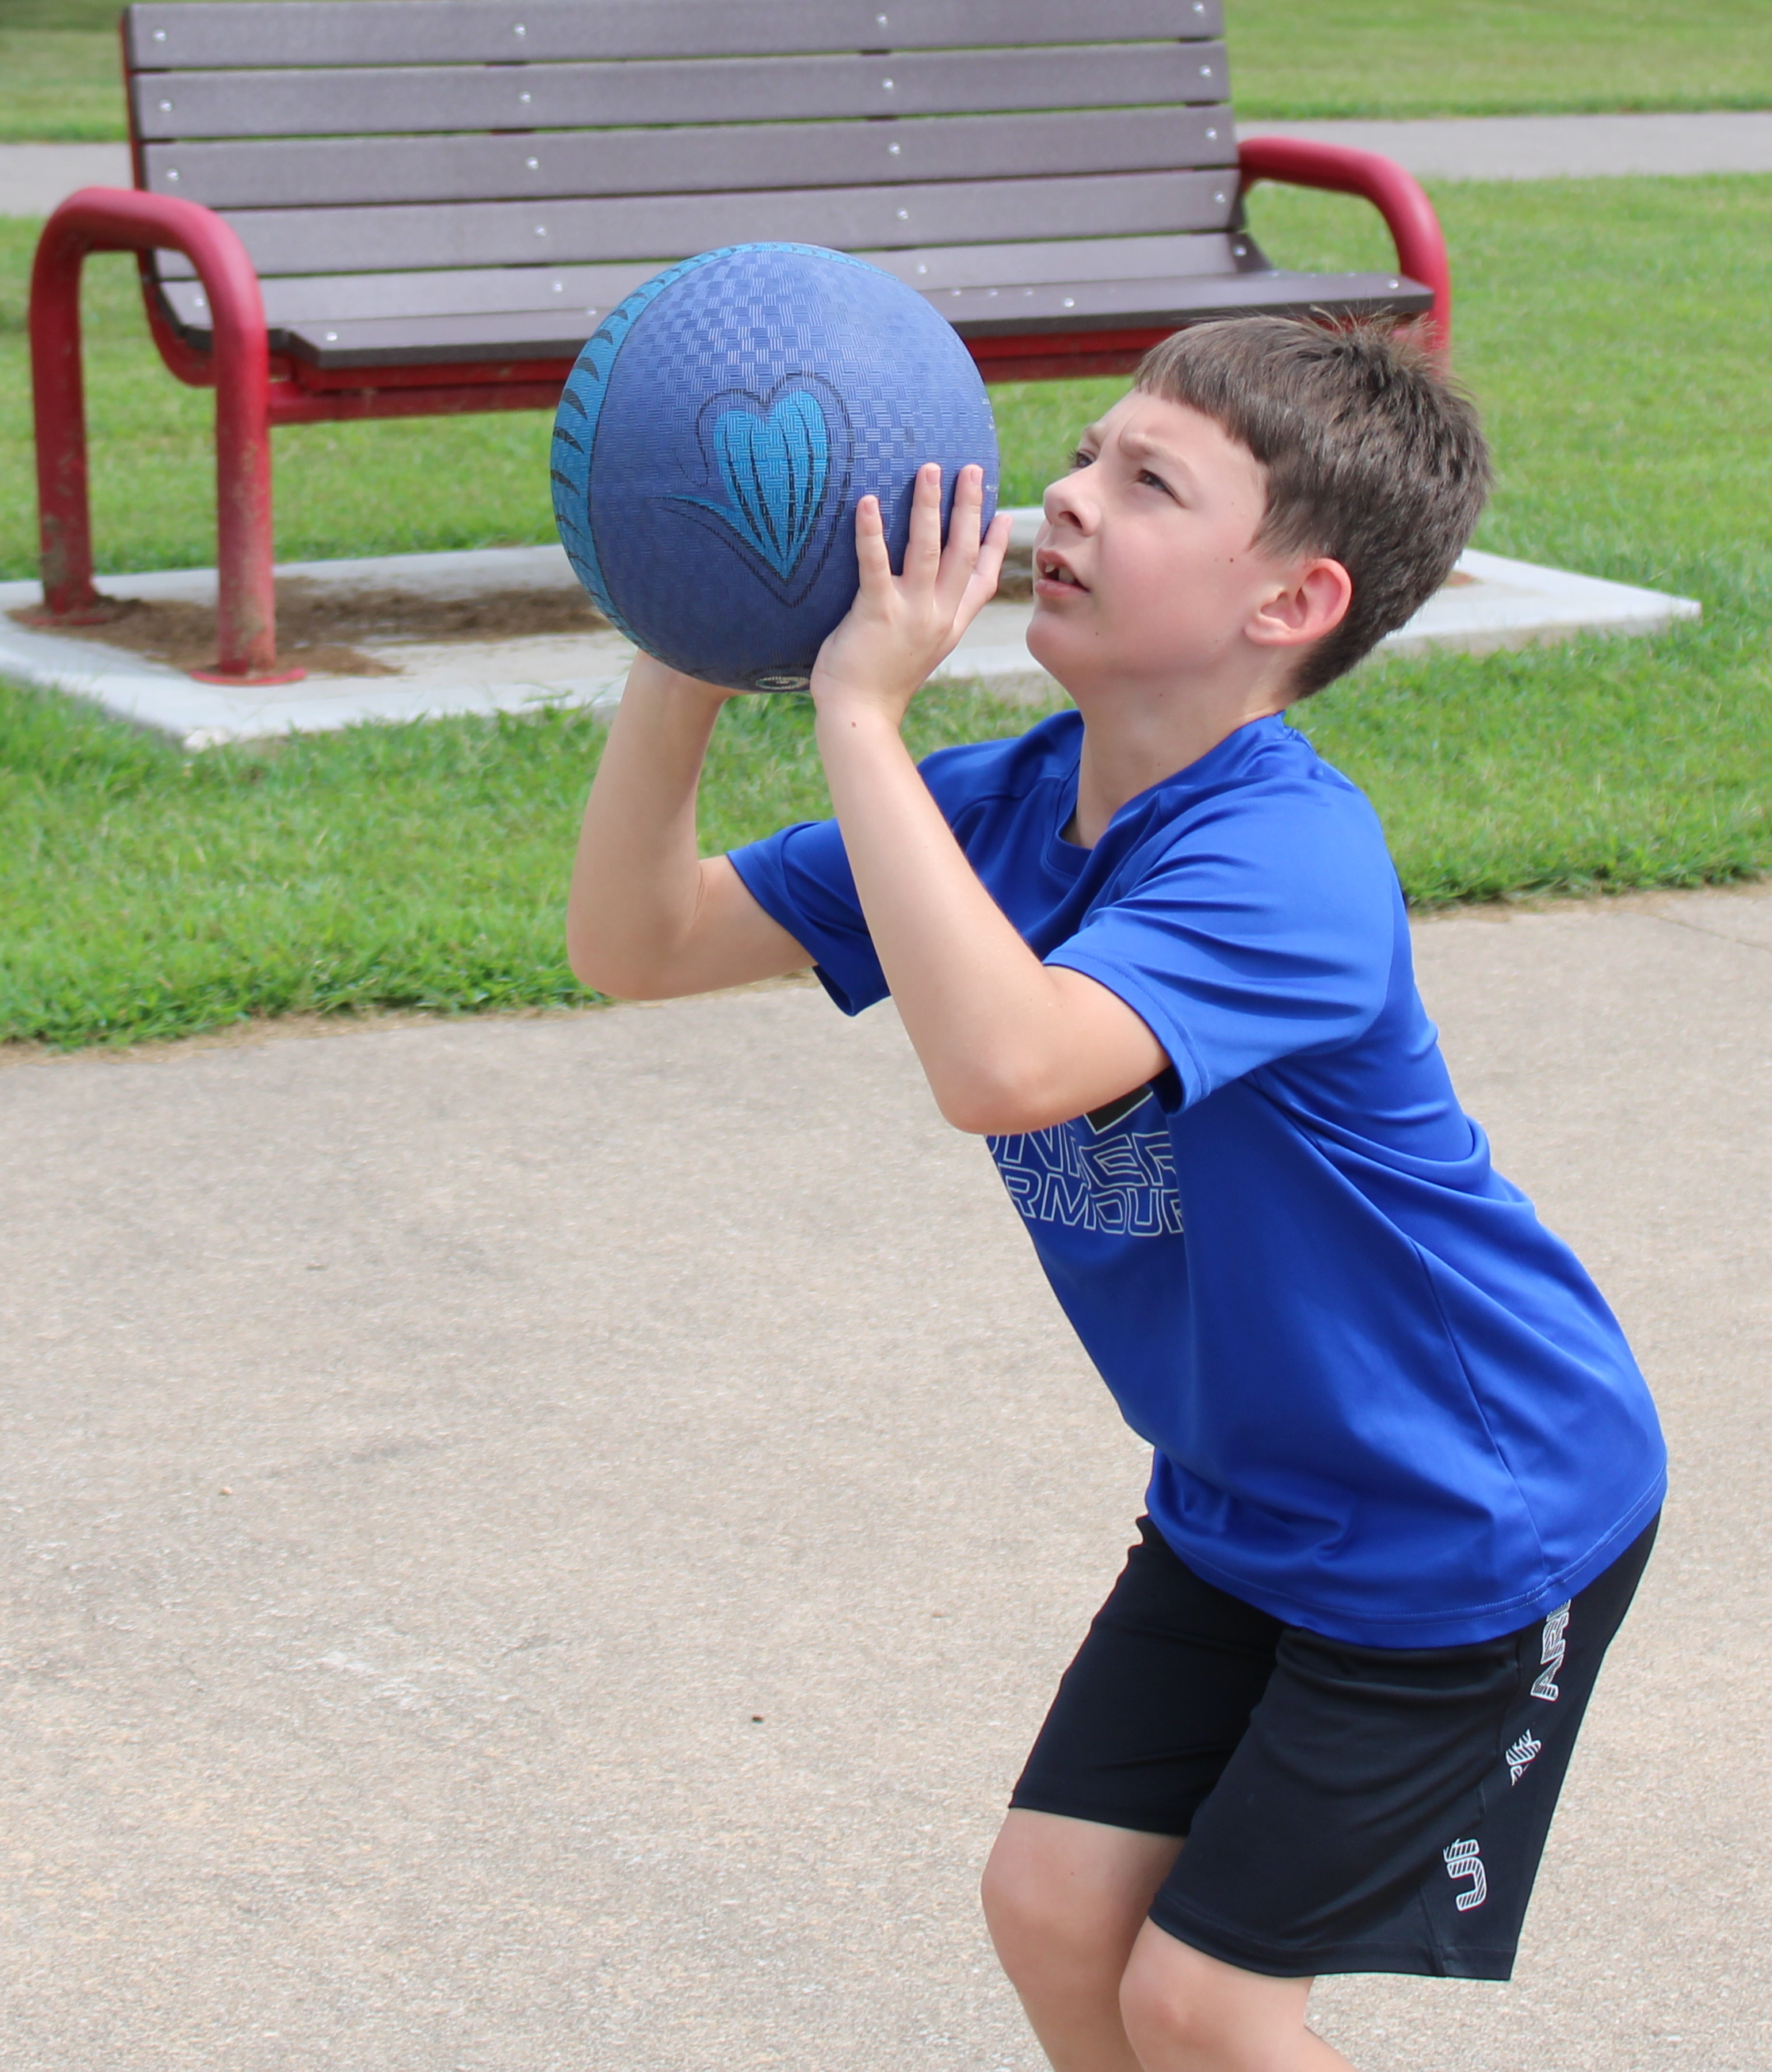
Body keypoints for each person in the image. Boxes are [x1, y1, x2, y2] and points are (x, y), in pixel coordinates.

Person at [565, 316, 1666, 2072]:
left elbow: (1003, 1063)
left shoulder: (1284, 852)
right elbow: (638, 939)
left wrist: (854, 703)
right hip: (1250, 1492)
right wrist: (689, 630)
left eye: (1144, 482)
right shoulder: (999, 809)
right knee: (1055, 1909)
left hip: (1465, 1510)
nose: (1063, 498)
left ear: (1288, 602)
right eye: (1082, 454)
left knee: (1202, 2002)